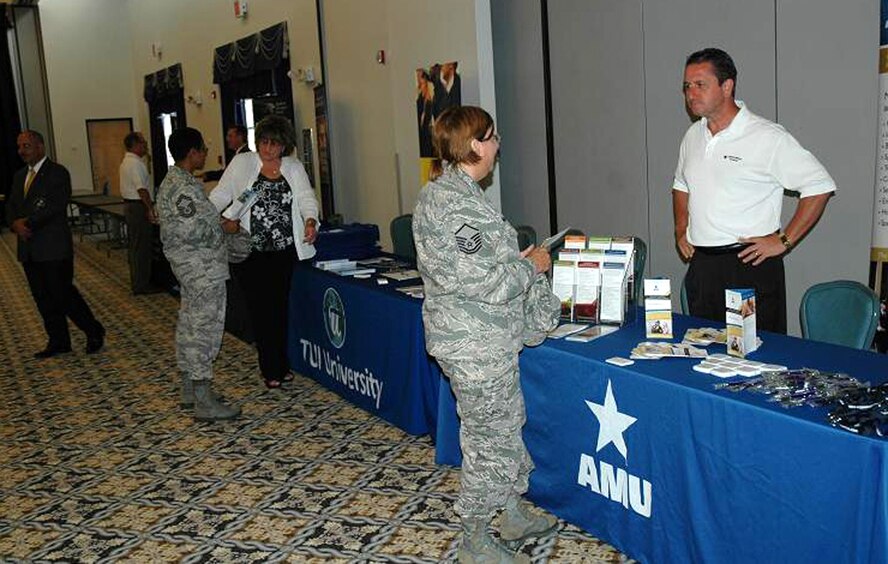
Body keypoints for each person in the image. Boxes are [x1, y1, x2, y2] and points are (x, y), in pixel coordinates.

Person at [412, 106, 558, 563]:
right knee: (488, 438)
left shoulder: (459, 193)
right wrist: (530, 266)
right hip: (474, 343)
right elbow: (484, 283)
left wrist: (516, 262)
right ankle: (474, 539)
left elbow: (480, 269)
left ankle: (511, 511)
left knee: (505, 424)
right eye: (492, 138)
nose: (498, 146)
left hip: (484, 339)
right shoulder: (455, 206)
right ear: (474, 144)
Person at [672, 47, 835, 333]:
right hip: (703, 268)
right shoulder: (693, 136)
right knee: (705, 353)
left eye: (700, 85)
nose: (691, 93)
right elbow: (681, 184)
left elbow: (819, 186)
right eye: (687, 86)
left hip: (747, 266)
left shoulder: (766, 136)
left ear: (727, 86)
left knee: (755, 359)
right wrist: (680, 226)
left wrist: (783, 241)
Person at [210, 115, 320, 389]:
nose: (268, 149)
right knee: (261, 311)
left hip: (283, 251)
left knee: (280, 308)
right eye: (263, 142)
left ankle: (281, 364)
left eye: (274, 144)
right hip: (252, 251)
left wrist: (310, 220)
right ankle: (270, 369)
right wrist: (206, 216)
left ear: (284, 145)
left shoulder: (293, 168)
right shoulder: (243, 163)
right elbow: (222, 194)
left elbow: (307, 198)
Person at [155, 127, 241, 421]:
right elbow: (195, 230)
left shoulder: (177, 182)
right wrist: (225, 227)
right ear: (191, 153)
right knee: (204, 329)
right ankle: (204, 399)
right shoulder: (182, 188)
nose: (205, 153)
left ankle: (190, 389)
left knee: (190, 324)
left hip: (192, 269)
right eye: (203, 148)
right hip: (202, 269)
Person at [7, 130, 105, 358]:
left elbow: (54, 207)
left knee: (64, 295)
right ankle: (59, 340)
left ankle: (93, 330)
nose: (22, 151)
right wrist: (14, 223)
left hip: (53, 248)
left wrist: (26, 223)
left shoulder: (57, 173)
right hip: (29, 249)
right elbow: (11, 205)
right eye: (19, 146)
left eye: (27, 146)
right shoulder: (19, 175)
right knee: (42, 297)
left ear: (40, 147)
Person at [119, 131, 161, 294]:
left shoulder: (129, 161)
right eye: (143, 142)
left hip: (133, 206)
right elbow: (142, 189)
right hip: (138, 207)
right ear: (135, 145)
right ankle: (141, 284)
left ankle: (139, 282)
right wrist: (150, 208)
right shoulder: (134, 164)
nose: (146, 145)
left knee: (136, 246)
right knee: (141, 247)